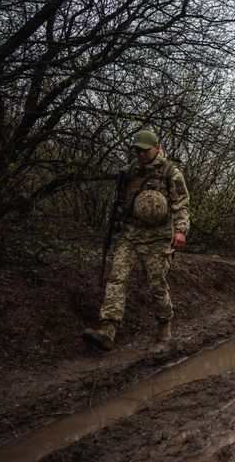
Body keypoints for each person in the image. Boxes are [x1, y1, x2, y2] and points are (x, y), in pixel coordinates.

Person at [83, 129, 190, 351]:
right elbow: (121, 200)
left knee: (156, 284)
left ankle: (164, 324)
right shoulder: (129, 172)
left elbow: (181, 203)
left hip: (158, 238)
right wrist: (118, 219)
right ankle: (107, 330)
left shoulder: (171, 172)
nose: (140, 154)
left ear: (157, 148)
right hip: (130, 234)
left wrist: (181, 231)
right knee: (117, 279)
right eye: (137, 150)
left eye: (145, 150)